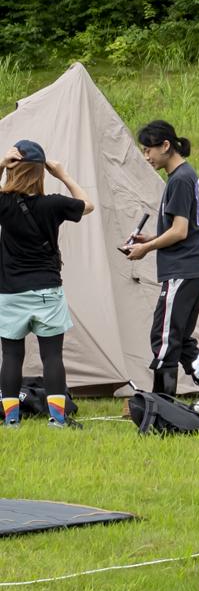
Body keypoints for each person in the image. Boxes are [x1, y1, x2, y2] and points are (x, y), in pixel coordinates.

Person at [0, 141, 94, 427]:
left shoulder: (4, 205)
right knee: (52, 355)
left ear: (14, 171)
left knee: (11, 356)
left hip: (10, 292)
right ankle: (57, 420)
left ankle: (11, 421)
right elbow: (87, 205)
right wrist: (63, 175)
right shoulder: (53, 204)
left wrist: (2, 163)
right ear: (41, 172)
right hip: (47, 291)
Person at [125, 120, 199, 396]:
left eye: (148, 149)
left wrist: (147, 248)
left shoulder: (180, 179)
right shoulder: (185, 176)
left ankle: (162, 403)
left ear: (166, 145)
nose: (146, 156)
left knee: (164, 337)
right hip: (194, 267)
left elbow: (180, 230)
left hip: (182, 268)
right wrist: (151, 238)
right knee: (182, 339)